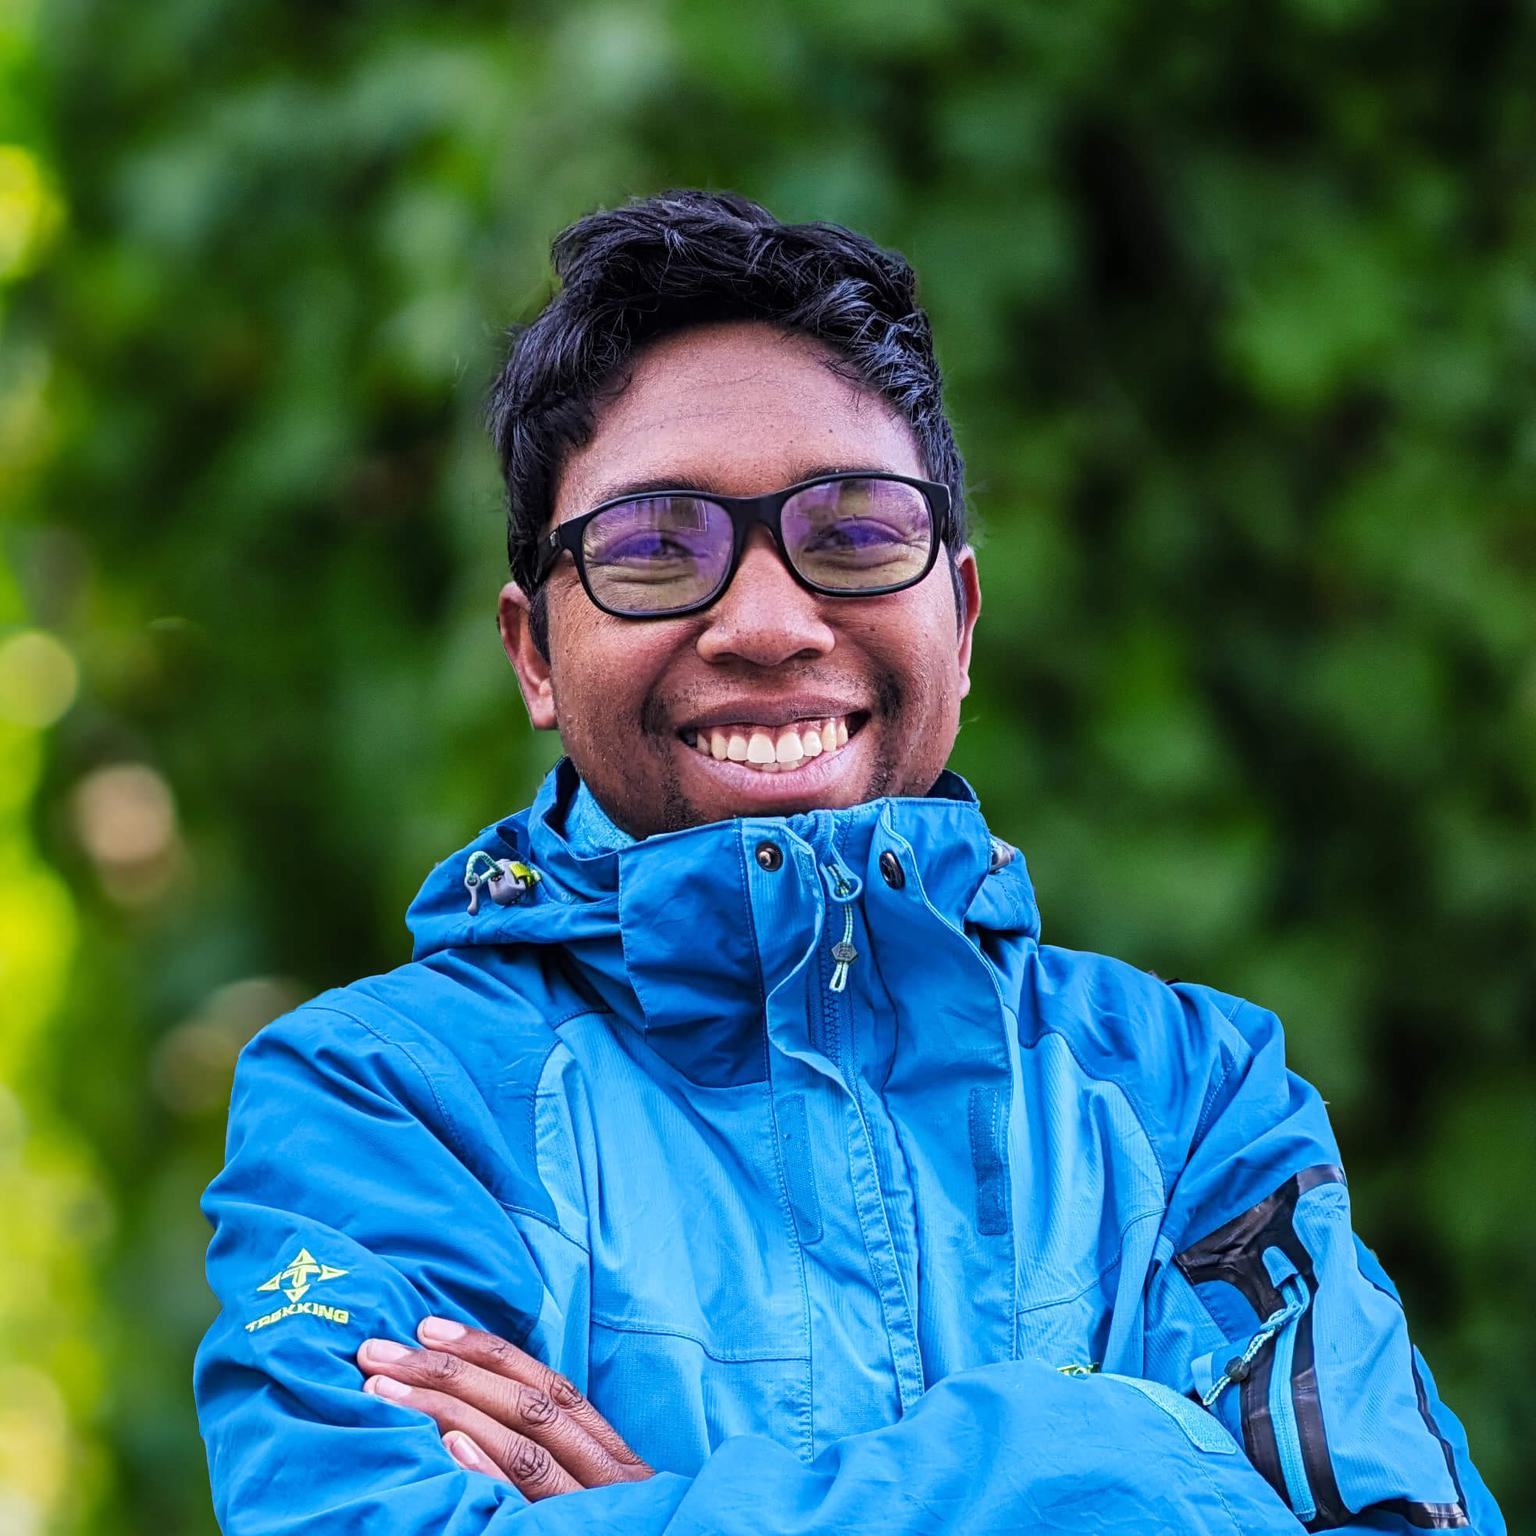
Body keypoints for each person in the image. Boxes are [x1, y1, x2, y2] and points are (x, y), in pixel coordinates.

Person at [193, 190, 1503, 1534]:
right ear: (534, 651)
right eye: (655, 549)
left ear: (965, 615)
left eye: (856, 534)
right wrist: (1118, 1455)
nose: (766, 622)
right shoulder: (383, 1101)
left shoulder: (1195, 1100)